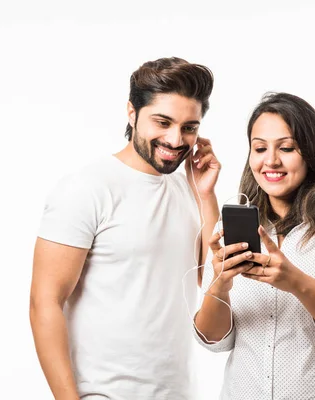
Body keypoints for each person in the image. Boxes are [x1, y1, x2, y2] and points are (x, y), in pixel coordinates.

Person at [29, 57, 221, 400]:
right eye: (162, 122)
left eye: (189, 127)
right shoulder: (87, 188)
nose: (176, 139)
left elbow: (212, 279)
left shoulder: (187, 190)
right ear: (132, 113)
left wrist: (206, 195)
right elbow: (45, 302)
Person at [194, 92, 315, 399]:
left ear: (310, 153)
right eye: (259, 148)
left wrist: (295, 282)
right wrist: (220, 285)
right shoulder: (230, 227)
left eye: (287, 147)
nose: (271, 160)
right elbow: (212, 339)